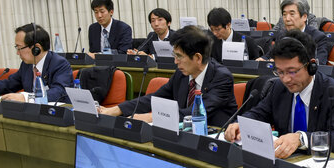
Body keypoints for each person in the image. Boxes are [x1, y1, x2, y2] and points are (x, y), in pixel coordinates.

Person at [225, 30, 334, 158]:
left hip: (328, 164)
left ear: (311, 66)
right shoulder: (278, 87)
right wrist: (241, 124)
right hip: (290, 162)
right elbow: (259, 113)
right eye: (280, 72)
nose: (286, 79)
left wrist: (300, 139)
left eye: (292, 71)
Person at [98, 25, 237, 126]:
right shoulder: (181, 74)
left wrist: (151, 117)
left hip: (215, 137)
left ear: (198, 58)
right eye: (174, 56)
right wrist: (118, 109)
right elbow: (154, 98)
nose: (175, 61)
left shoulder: (222, 78)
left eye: (179, 56)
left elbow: (196, 113)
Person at [259, 0, 332, 65]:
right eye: (284, 15)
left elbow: (319, 63)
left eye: (292, 14)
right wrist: (262, 59)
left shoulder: (317, 37)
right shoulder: (282, 35)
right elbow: (270, 55)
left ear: (304, 17)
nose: (287, 19)